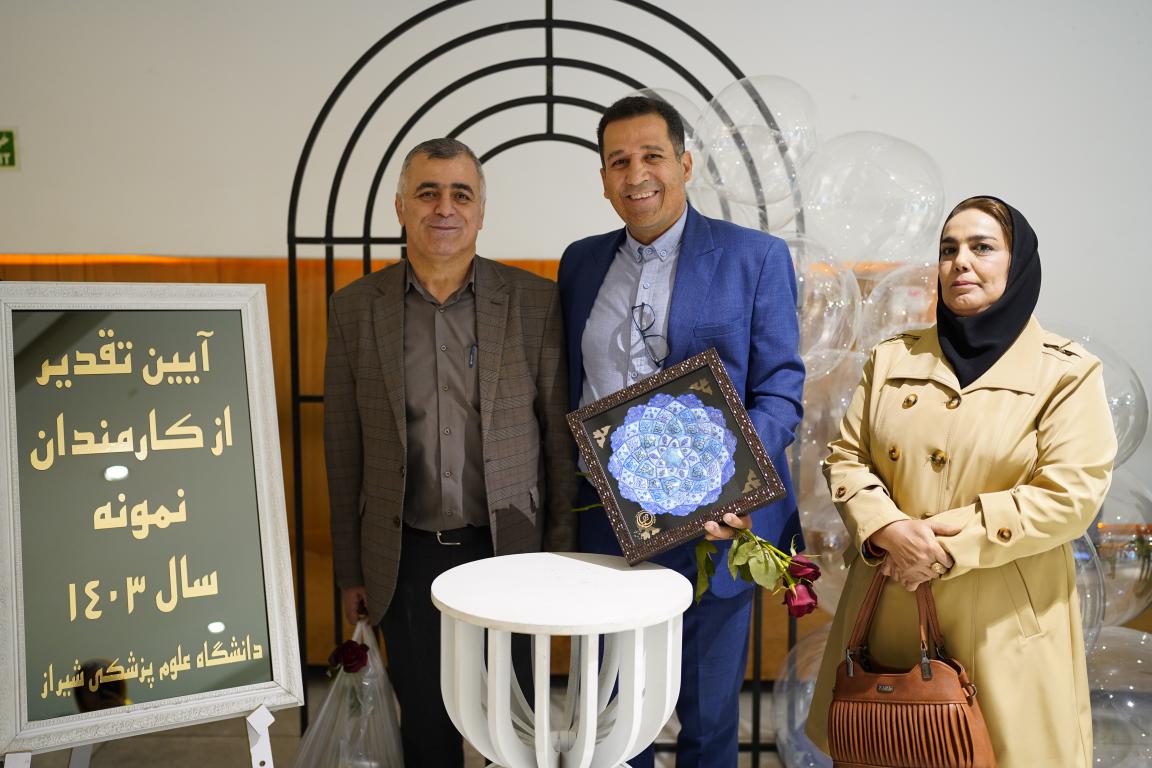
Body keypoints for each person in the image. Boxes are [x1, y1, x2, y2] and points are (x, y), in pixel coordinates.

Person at [805, 196, 1117, 766]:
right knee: (894, 749)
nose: (960, 262)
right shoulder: (892, 359)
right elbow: (846, 457)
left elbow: (1071, 495)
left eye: (982, 247)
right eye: (948, 250)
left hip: (1006, 626)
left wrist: (945, 546)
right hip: (893, 606)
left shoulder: (1066, 372)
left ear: (1017, 263)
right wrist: (885, 528)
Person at [557, 96, 805, 767]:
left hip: (715, 528)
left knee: (708, 722)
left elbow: (780, 391)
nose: (636, 174)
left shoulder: (755, 257)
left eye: (652, 156)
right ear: (603, 179)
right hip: (608, 524)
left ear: (685, 164)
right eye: (619, 161)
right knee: (615, 722)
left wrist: (730, 483)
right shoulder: (579, 263)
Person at [324, 138, 575, 767]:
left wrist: (561, 555)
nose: (444, 208)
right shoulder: (355, 309)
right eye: (427, 193)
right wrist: (350, 570)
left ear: (481, 211)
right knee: (426, 730)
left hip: (510, 552)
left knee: (514, 730)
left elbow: (557, 440)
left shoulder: (535, 301)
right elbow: (342, 449)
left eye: (461, 194)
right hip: (405, 559)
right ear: (400, 208)